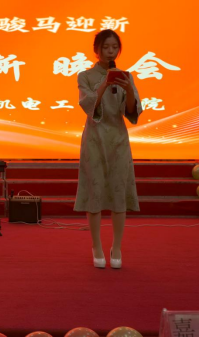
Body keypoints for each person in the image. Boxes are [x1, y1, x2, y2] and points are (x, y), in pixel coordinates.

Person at [75, 29, 142, 270]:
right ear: (97, 50)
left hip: (118, 139)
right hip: (94, 138)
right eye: (106, 47)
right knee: (94, 192)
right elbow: (88, 105)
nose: (110, 51)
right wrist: (105, 83)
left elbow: (131, 111)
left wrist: (129, 89)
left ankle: (117, 247)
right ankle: (96, 246)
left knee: (118, 191)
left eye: (114, 47)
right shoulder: (85, 76)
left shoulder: (127, 76)